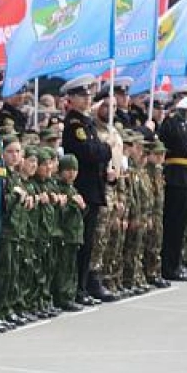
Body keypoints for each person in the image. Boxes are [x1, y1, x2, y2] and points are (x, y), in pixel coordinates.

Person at [60, 75, 113, 303]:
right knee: (79, 243)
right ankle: (76, 290)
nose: (86, 99)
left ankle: (82, 287)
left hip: (93, 188)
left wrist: (102, 150)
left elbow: (97, 151)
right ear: (70, 99)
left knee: (88, 242)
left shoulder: (87, 122)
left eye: (88, 95)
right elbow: (90, 152)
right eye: (81, 96)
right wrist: (106, 149)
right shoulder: (74, 124)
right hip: (83, 188)